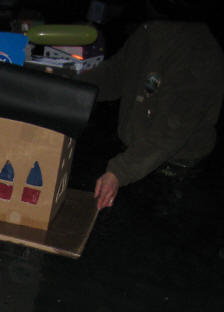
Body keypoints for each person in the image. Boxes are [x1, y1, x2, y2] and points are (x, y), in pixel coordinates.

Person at [79, 7, 224, 210]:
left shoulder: (198, 52)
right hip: (137, 154)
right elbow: (115, 76)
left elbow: (170, 132)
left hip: (174, 169)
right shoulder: (150, 30)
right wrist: (69, 86)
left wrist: (120, 172)